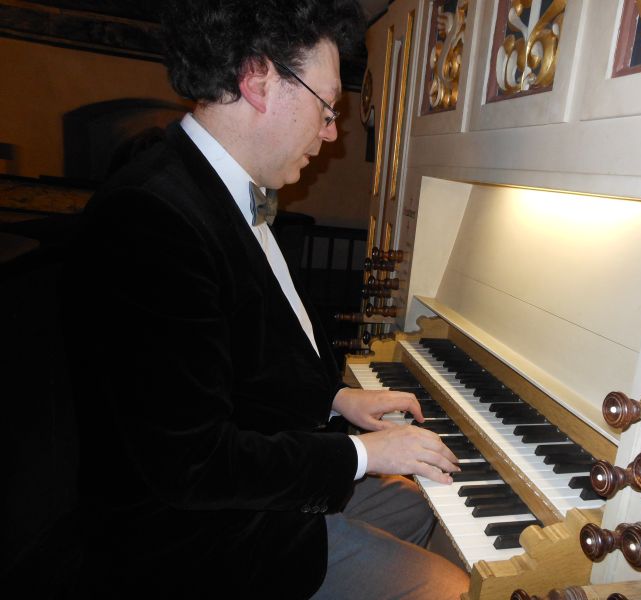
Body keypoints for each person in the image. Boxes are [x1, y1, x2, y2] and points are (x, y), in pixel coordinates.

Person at [62, 0, 469, 598]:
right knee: (449, 587)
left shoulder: (223, 192)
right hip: (198, 543)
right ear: (259, 80)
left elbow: (245, 363)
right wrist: (362, 455)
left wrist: (336, 399)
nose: (332, 131)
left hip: (255, 493)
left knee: (425, 505)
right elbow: (193, 465)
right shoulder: (151, 217)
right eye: (328, 106)